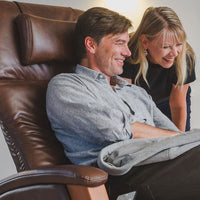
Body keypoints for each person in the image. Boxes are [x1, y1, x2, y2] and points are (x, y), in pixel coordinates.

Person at [46, 7, 200, 200]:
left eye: (127, 44)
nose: (128, 52)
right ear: (91, 45)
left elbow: (176, 136)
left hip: (165, 166)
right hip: (124, 178)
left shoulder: (135, 91)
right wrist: (178, 139)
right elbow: (118, 131)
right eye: (120, 43)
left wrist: (182, 139)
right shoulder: (66, 86)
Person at [121, 7, 196, 132]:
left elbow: (177, 104)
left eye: (179, 44)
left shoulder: (185, 56)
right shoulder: (128, 52)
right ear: (145, 42)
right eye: (166, 46)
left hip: (171, 100)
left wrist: (179, 140)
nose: (174, 53)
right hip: (139, 103)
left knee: (180, 140)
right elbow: (127, 102)